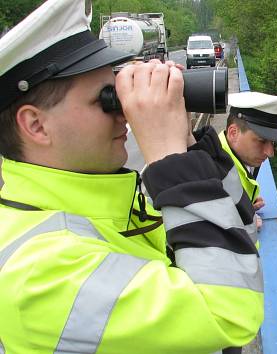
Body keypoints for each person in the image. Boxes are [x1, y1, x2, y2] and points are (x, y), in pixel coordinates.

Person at [0, 0, 263, 353]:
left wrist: (188, 148)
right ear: (36, 125)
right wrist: (171, 162)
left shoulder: (114, 203)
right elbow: (229, 315)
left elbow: (240, 243)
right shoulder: (38, 273)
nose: (124, 114)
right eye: (107, 100)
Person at [219, 91, 277, 236]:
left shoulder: (233, 160)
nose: (270, 152)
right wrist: (241, 223)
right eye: (262, 141)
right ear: (233, 133)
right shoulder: (213, 174)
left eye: (272, 142)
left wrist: (245, 205)